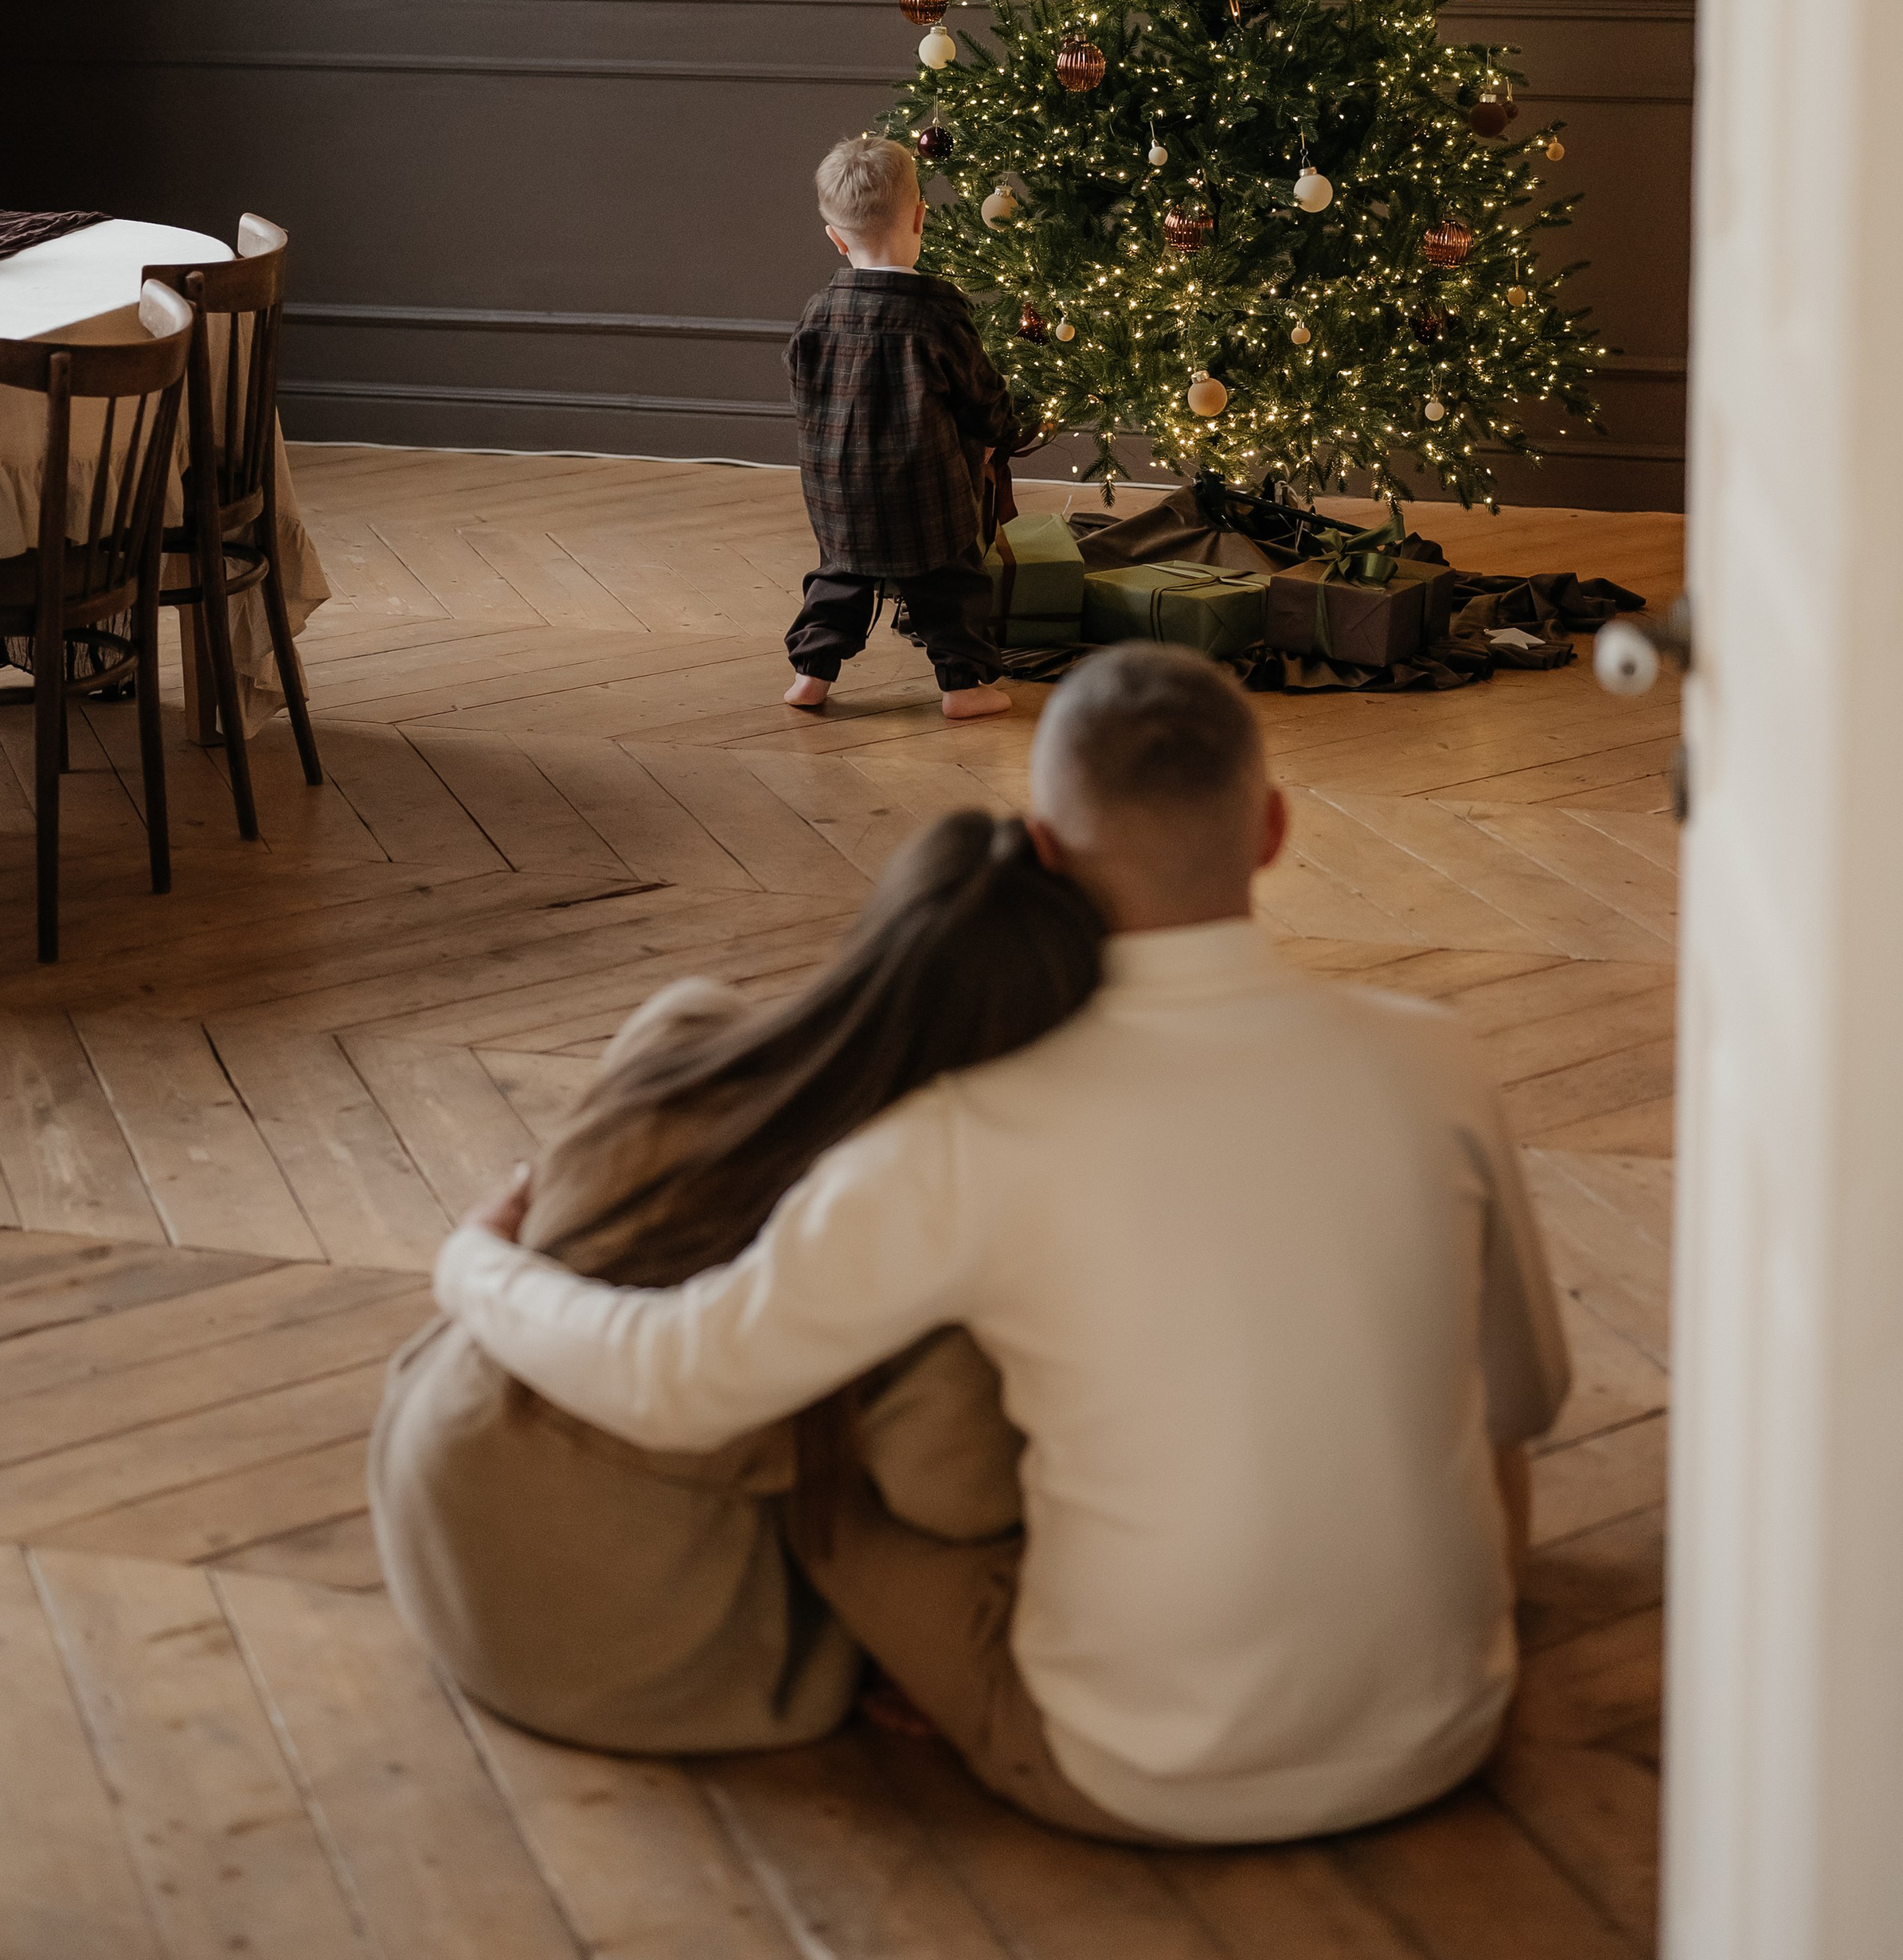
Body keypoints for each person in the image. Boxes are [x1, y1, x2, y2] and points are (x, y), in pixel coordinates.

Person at [435, 647, 1571, 1844]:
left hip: (1138, 1771)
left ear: (1040, 848)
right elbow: (1526, 1397)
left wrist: (477, 1265)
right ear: (1275, 829)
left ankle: (961, 1676)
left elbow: (675, 1383)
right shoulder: (1435, 1054)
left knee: (830, 1479)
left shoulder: (961, 1132)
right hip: (1449, 1725)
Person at [371, 810, 1105, 1755]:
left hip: (433, 1486)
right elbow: (958, 1499)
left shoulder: (686, 1025)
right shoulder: (915, 1232)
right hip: (607, 1633)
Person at [781, 131, 1022, 723]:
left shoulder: (818, 311)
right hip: (928, 493)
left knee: (837, 578)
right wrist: (1001, 431)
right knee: (951, 584)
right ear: (919, 217)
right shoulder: (939, 311)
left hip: (839, 492)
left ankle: (811, 674)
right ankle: (963, 686)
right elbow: (979, 391)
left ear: (836, 238)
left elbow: (803, 390)